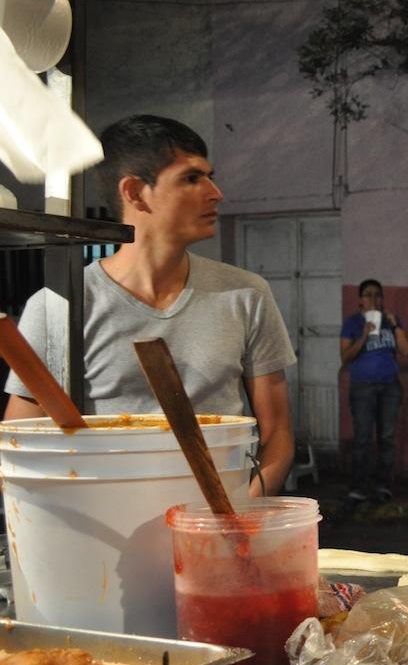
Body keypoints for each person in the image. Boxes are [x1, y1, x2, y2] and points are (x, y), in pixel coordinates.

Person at [3, 114, 296, 497]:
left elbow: (278, 435)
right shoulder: (59, 306)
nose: (215, 192)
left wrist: (237, 516)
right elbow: (22, 446)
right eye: (191, 178)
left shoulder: (245, 295)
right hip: (107, 531)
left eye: (209, 175)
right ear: (135, 192)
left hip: (219, 522)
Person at [340, 279, 408, 503]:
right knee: (363, 438)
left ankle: (383, 486)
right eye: (368, 295)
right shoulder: (352, 323)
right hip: (363, 388)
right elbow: (345, 356)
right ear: (360, 300)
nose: (373, 299)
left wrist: (395, 325)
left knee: (387, 438)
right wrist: (364, 334)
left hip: (390, 387)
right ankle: (359, 487)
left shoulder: (392, 321)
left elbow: (406, 350)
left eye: (378, 295)